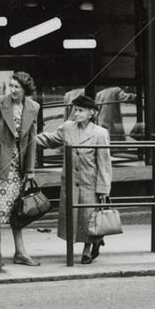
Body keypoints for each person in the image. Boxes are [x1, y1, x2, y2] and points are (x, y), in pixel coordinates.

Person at [36, 94, 112, 265]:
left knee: (88, 217)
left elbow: (104, 164)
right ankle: (87, 246)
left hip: (89, 183)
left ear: (91, 113)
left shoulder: (100, 133)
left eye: (80, 110)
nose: (76, 113)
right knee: (73, 218)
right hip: (71, 183)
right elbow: (51, 139)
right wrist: (29, 139)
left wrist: (103, 189)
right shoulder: (67, 127)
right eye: (75, 110)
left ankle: (88, 249)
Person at [0, 71, 41, 266]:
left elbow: (32, 140)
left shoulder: (33, 107)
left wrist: (30, 169)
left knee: (17, 210)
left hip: (17, 167)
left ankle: (20, 252)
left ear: (25, 90)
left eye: (17, 87)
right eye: (11, 85)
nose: (12, 90)